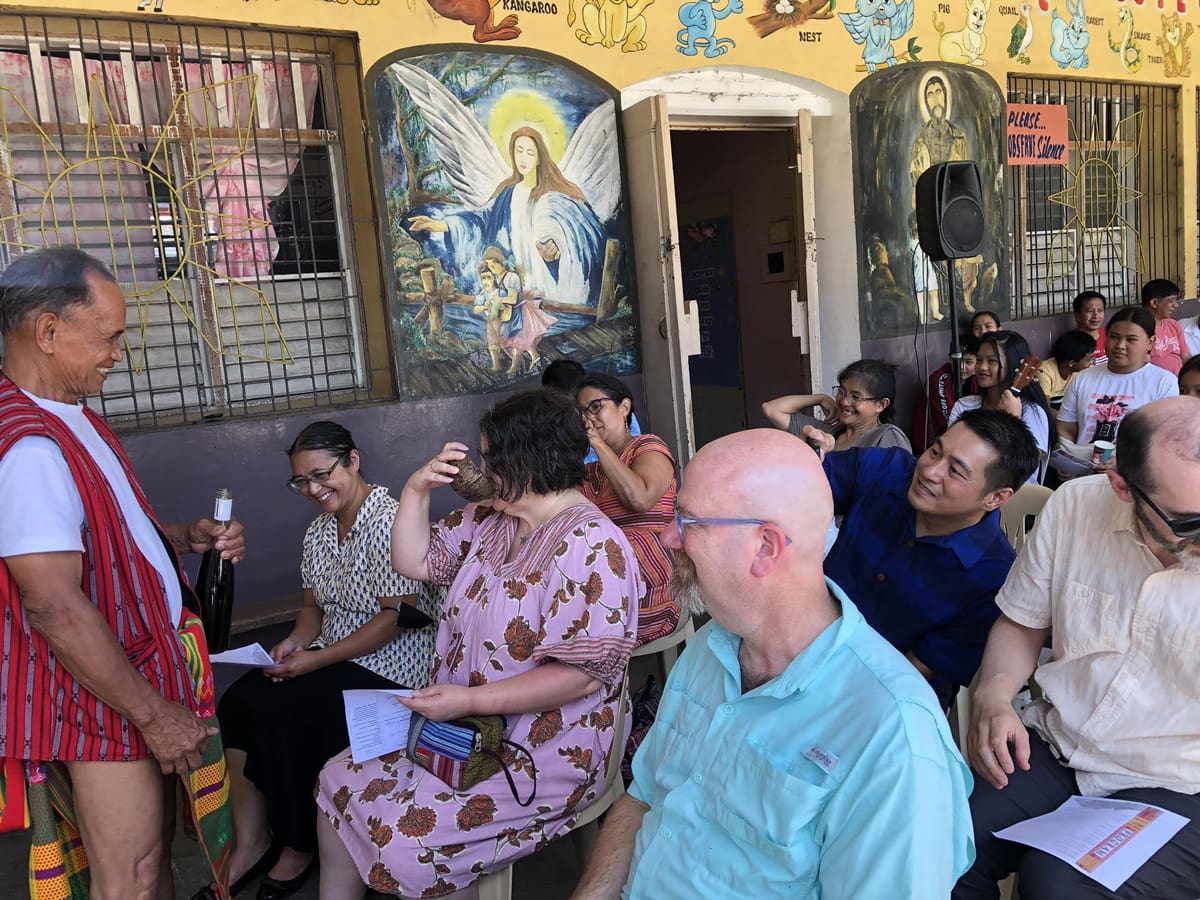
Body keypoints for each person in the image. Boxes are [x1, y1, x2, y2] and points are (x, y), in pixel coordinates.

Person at [570, 429, 975, 900]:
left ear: (765, 546)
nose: (666, 536)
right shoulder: (710, 647)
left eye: (687, 521)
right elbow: (644, 797)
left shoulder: (891, 738)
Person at [315, 389, 640, 900]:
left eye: (490, 457)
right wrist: (415, 489)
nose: (480, 468)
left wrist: (467, 701)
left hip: (540, 747)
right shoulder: (491, 519)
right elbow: (414, 562)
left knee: (406, 837)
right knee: (337, 777)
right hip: (457, 726)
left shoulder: (594, 547)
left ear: (526, 461)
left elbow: (580, 673)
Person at [0, 247, 246, 898]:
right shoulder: (29, 448)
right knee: (132, 877)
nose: (117, 353)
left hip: (129, 674)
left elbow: (92, 533)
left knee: (150, 861)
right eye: (108, 337)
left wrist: (177, 539)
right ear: (48, 331)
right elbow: (52, 605)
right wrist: (155, 714)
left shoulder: (67, 415)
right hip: (103, 694)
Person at [954, 397, 1200, 900]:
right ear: (1121, 486)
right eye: (1189, 524)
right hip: (1058, 745)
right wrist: (995, 697)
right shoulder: (1075, 505)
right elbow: (1022, 623)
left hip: (1179, 780)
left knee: (1059, 884)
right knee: (938, 839)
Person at [194, 422, 444, 900]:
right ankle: (252, 841)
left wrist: (317, 659)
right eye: (300, 481)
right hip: (331, 654)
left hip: (392, 665)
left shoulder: (392, 520)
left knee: (289, 714)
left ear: (353, 460)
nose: (312, 489)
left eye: (320, 475)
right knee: (242, 700)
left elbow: (397, 617)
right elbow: (313, 609)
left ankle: (299, 844)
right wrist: (294, 644)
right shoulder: (318, 532)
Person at [808, 410, 1039, 705]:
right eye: (935, 451)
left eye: (955, 471)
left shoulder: (992, 578)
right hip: (808, 638)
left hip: (884, 691)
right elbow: (803, 483)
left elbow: (917, 669)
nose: (929, 471)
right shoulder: (886, 468)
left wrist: (827, 691)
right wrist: (805, 457)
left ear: (995, 498)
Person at [408, 127, 607, 308]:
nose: (523, 158)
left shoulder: (555, 196)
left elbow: (574, 233)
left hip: (549, 276)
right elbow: (481, 218)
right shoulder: (508, 192)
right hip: (523, 276)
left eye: (530, 152)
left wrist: (556, 251)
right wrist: (439, 225)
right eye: (518, 150)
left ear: (540, 157)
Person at [577, 373, 678, 645]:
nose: (589, 419)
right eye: (582, 413)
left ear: (624, 408)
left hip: (652, 583)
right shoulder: (590, 471)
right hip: (607, 584)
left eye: (596, 407)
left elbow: (640, 498)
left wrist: (596, 442)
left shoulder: (648, 447)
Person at [1057, 306, 1179, 449]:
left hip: (1132, 470)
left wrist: (1121, 462)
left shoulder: (1163, 383)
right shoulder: (1082, 378)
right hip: (1084, 469)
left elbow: (1164, 438)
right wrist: (1067, 454)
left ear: (1150, 343)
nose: (1120, 346)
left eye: (1131, 339)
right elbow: (1066, 427)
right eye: (1114, 337)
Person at [948, 330, 1051, 483]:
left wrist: (1012, 422)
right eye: (979, 359)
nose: (982, 367)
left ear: (1014, 364)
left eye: (992, 361)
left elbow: (1025, 472)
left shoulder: (1032, 412)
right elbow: (950, 452)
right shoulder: (964, 405)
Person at [763, 358, 911, 453]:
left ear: (881, 404)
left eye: (856, 397)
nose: (844, 401)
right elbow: (771, 409)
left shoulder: (887, 437)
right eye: (841, 391)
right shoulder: (827, 432)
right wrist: (820, 398)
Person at [912, 334, 980, 455]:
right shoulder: (939, 380)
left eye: (969, 362)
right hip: (932, 444)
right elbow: (949, 420)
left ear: (977, 363)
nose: (962, 367)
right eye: (957, 361)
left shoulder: (975, 379)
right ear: (949, 359)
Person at [1037, 329, 1096, 421]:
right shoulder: (1044, 372)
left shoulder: (1076, 372)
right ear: (1072, 363)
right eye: (1089, 359)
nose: (1090, 363)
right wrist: (1073, 422)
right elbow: (1045, 410)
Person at [1142, 278, 1190, 375]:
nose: (1176, 305)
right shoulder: (1138, 328)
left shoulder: (1174, 325)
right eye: (1171, 301)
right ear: (1154, 303)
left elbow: (1185, 356)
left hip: (1179, 382)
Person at [473, 262, 514, 372]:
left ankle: (514, 360)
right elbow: (476, 310)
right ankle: (496, 364)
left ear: (494, 278)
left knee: (504, 341)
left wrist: (500, 305)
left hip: (502, 321)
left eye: (488, 278)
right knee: (492, 342)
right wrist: (484, 306)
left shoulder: (500, 292)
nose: (486, 281)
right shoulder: (482, 294)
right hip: (490, 320)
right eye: (483, 278)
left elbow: (507, 306)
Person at [1072, 289, 1107, 367]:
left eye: (1100, 310)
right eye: (1090, 311)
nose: (1096, 316)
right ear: (1077, 315)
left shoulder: (1110, 335)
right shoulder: (1071, 343)